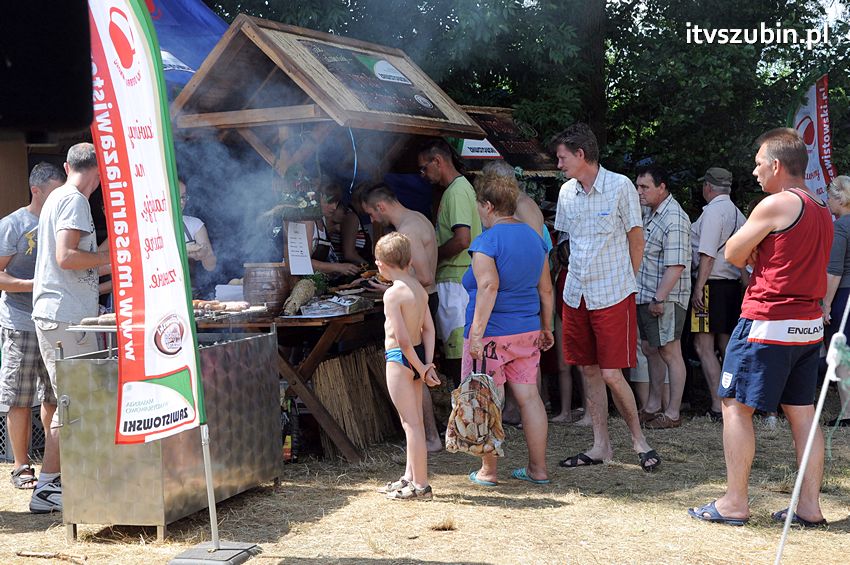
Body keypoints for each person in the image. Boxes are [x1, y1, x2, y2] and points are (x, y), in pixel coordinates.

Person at [689, 128, 831, 527]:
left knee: (734, 406)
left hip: (767, 322)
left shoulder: (776, 204)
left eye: (757, 164)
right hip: (807, 327)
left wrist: (753, 248)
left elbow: (732, 252)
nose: (753, 172)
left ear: (775, 165)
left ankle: (734, 502)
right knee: (804, 416)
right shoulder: (821, 207)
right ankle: (809, 507)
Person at [552, 123, 660, 472]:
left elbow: (636, 239)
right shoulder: (567, 192)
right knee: (588, 369)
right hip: (576, 293)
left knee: (613, 373)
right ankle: (601, 446)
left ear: (581, 155)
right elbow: (567, 242)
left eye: (562, 157)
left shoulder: (620, 186)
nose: (559, 164)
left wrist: (628, 281)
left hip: (613, 292)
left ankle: (640, 442)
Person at [30, 143, 111, 513]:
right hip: (64, 319)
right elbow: (66, 257)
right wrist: (111, 257)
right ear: (100, 170)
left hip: (60, 315)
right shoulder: (75, 200)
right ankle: (48, 487)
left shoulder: (59, 197)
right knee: (72, 402)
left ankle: (66, 481)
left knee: (72, 401)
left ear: (67, 165)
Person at [463, 170, 554, 486]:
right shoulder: (534, 237)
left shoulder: (486, 241)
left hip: (491, 334)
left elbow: (488, 286)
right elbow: (546, 289)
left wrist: (476, 334)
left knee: (486, 398)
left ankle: (488, 471)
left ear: (487, 206)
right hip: (527, 331)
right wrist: (547, 327)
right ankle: (538, 470)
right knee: (530, 399)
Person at [0, 163, 65, 490]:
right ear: (36, 191)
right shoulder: (12, 225)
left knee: (53, 396)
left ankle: (53, 465)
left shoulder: (63, 223)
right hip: (21, 322)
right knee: (19, 398)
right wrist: (34, 285)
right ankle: (21, 465)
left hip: (55, 322)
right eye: (55, 190)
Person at [375, 232, 440, 500]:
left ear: (382, 264)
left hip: (400, 360)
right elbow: (429, 329)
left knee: (411, 424)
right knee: (412, 423)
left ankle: (421, 485)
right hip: (418, 357)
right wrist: (427, 363)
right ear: (410, 259)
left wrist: (421, 368)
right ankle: (409, 476)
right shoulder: (419, 288)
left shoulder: (392, 294)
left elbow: (401, 341)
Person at [418, 139, 482, 387]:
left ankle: (463, 413)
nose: (423, 175)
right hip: (461, 279)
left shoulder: (456, 191)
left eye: (424, 168)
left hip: (455, 282)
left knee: (458, 356)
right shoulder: (460, 188)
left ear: (438, 161)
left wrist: (432, 258)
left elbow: (462, 240)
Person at [634, 165, 691, 429]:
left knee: (670, 351)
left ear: (662, 187)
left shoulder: (674, 218)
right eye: (638, 186)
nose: (639, 192)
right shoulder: (651, 213)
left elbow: (676, 265)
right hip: (647, 295)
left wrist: (659, 298)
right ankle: (654, 405)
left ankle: (673, 413)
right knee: (651, 349)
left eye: (644, 187)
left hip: (664, 298)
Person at [690, 167, 748, 422]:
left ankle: (717, 404)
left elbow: (707, 254)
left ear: (708, 187)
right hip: (732, 286)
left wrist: (698, 287)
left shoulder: (713, 212)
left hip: (711, 285)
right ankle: (736, 400)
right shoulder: (739, 214)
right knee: (726, 346)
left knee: (703, 346)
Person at [822, 175, 850, 427]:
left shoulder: (840, 226)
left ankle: (848, 414)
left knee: (842, 355)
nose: (828, 202)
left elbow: (834, 270)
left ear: (840, 198)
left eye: (830, 197)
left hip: (843, 295)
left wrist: (826, 304)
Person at [179, 179, 217, 298]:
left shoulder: (194, 224)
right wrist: (184, 251)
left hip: (191, 296)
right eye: (176, 196)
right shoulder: (151, 225)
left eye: (184, 197)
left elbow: (211, 266)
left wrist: (205, 254)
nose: (181, 202)